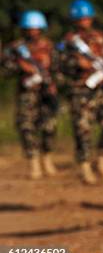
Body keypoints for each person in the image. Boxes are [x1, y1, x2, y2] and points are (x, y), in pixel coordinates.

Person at [60, 0, 103, 184]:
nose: (85, 21)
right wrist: (76, 63)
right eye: (80, 18)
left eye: (87, 18)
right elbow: (59, 65)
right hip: (81, 91)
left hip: (102, 89)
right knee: (83, 129)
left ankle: (102, 159)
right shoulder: (68, 42)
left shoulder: (100, 37)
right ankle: (85, 166)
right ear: (74, 20)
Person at [2, 10, 59, 179]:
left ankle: (47, 157)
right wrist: (20, 67)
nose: (32, 32)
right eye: (29, 29)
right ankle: (34, 162)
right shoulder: (16, 48)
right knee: (26, 127)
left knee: (49, 127)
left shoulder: (49, 46)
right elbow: (5, 70)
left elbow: (58, 68)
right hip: (26, 94)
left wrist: (54, 84)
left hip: (46, 93)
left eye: (35, 28)